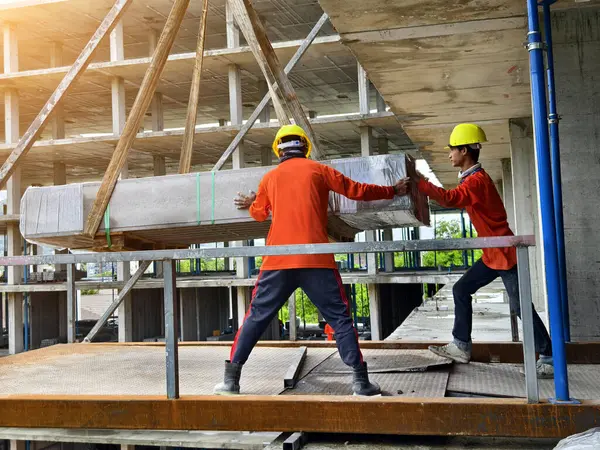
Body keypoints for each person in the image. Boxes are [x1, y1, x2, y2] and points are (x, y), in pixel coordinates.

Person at [214, 124, 410, 396]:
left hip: (278, 262)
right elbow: (357, 191)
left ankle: (230, 381)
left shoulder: (270, 178)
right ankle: (360, 383)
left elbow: (259, 214)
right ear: (305, 147)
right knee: (340, 320)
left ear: (278, 150)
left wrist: (253, 201)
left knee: (256, 318)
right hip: (316, 259)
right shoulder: (320, 171)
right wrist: (393, 190)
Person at [411, 123, 554, 378]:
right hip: (493, 254)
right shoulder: (474, 178)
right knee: (461, 289)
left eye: (452, 150)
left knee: (521, 307)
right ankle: (461, 346)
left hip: (505, 253)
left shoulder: (476, 181)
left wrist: (421, 183)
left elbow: (451, 199)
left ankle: (549, 357)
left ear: (464, 151)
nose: (449, 155)